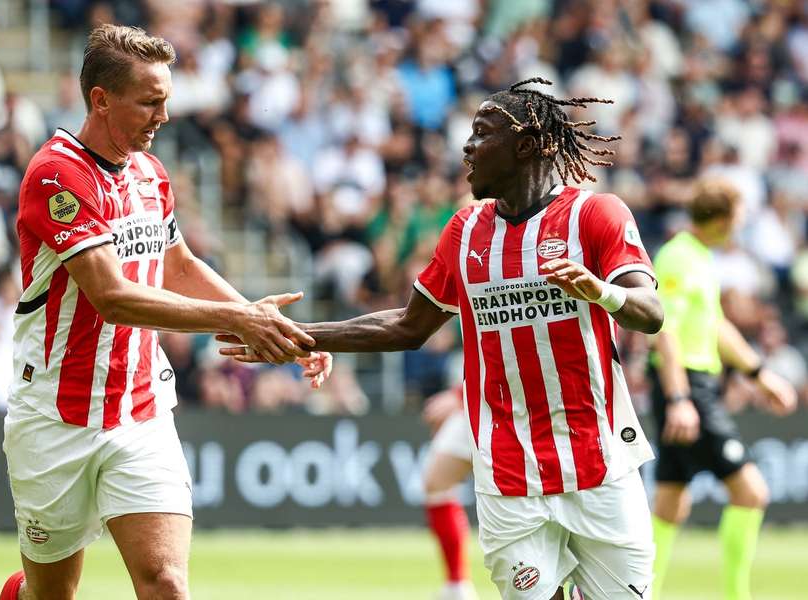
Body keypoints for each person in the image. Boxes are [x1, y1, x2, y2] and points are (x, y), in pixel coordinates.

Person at [223, 78, 664, 599]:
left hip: (601, 467)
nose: (467, 146)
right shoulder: (466, 230)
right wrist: (298, 335)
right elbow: (409, 326)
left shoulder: (596, 214)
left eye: (482, 133)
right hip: (508, 475)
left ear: (525, 145)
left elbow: (650, 314)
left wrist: (601, 293)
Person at [0, 24, 331, 600]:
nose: (165, 115)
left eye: (167, 100)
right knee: (49, 592)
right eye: (151, 101)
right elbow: (113, 296)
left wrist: (271, 323)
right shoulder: (58, 175)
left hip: (141, 410)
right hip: (56, 416)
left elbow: (177, 264)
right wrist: (239, 321)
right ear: (101, 101)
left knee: (167, 585)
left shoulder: (151, 174)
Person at [649, 178, 796, 600]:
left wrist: (759, 373)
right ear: (721, 219)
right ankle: (737, 596)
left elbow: (714, 326)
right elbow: (666, 332)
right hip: (687, 388)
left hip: (693, 387)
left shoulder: (699, 257)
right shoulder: (677, 258)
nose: (741, 224)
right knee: (752, 492)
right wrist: (679, 399)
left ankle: (641, 592)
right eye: (739, 216)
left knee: (671, 503)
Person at [421, 385, 477, 600]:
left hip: (499, 399)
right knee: (436, 485)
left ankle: (457, 584)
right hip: (479, 396)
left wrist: (461, 394)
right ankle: (457, 584)